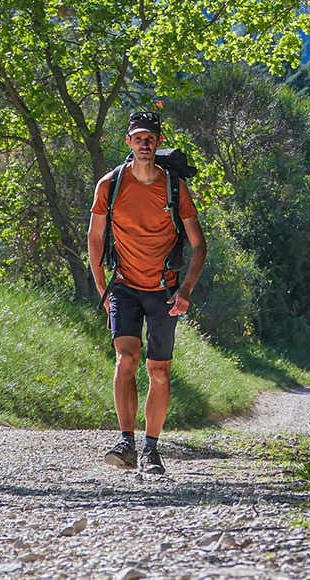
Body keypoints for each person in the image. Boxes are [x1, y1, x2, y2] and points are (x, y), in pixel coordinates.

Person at [86, 110, 206, 474]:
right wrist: (102, 285)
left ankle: (152, 450)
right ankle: (126, 443)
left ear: (158, 142)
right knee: (126, 360)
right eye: (138, 138)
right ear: (129, 142)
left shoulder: (174, 187)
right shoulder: (111, 184)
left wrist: (185, 289)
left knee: (160, 372)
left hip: (164, 290)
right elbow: (94, 237)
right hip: (123, 285)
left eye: (150, 138)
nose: (144, 144)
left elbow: (199, 244)